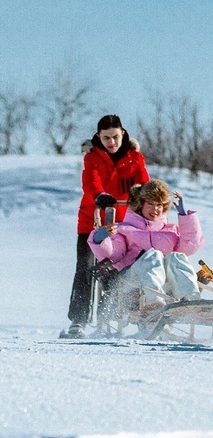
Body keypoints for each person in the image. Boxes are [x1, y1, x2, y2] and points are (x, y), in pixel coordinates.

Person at [65, 115, 150, 337]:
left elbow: (143, 183)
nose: (111, 142)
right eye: (106, 138)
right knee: (85, 268)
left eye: (114, 137)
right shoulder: (93, 157)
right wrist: (99, 195)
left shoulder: (135, 158)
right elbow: (90, 181)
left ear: (122, 133)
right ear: (98, 137)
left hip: (123, 225)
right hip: (92, 223)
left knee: (118, 270)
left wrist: (142, 196)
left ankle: (111, 316)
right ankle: (79, 321)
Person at [87, 179, 205, 314]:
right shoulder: (125, 229)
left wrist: (185, 217)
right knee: (153, 255)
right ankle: (154, 302)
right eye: (150, 204)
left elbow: (190, 246)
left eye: (159, 205)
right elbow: (114, 254)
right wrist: (101, 238)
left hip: (165, 285)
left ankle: (192, 300)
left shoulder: (171, 231)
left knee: (176, 256)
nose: (155, 209)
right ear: (140, 204)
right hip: (131, 283)